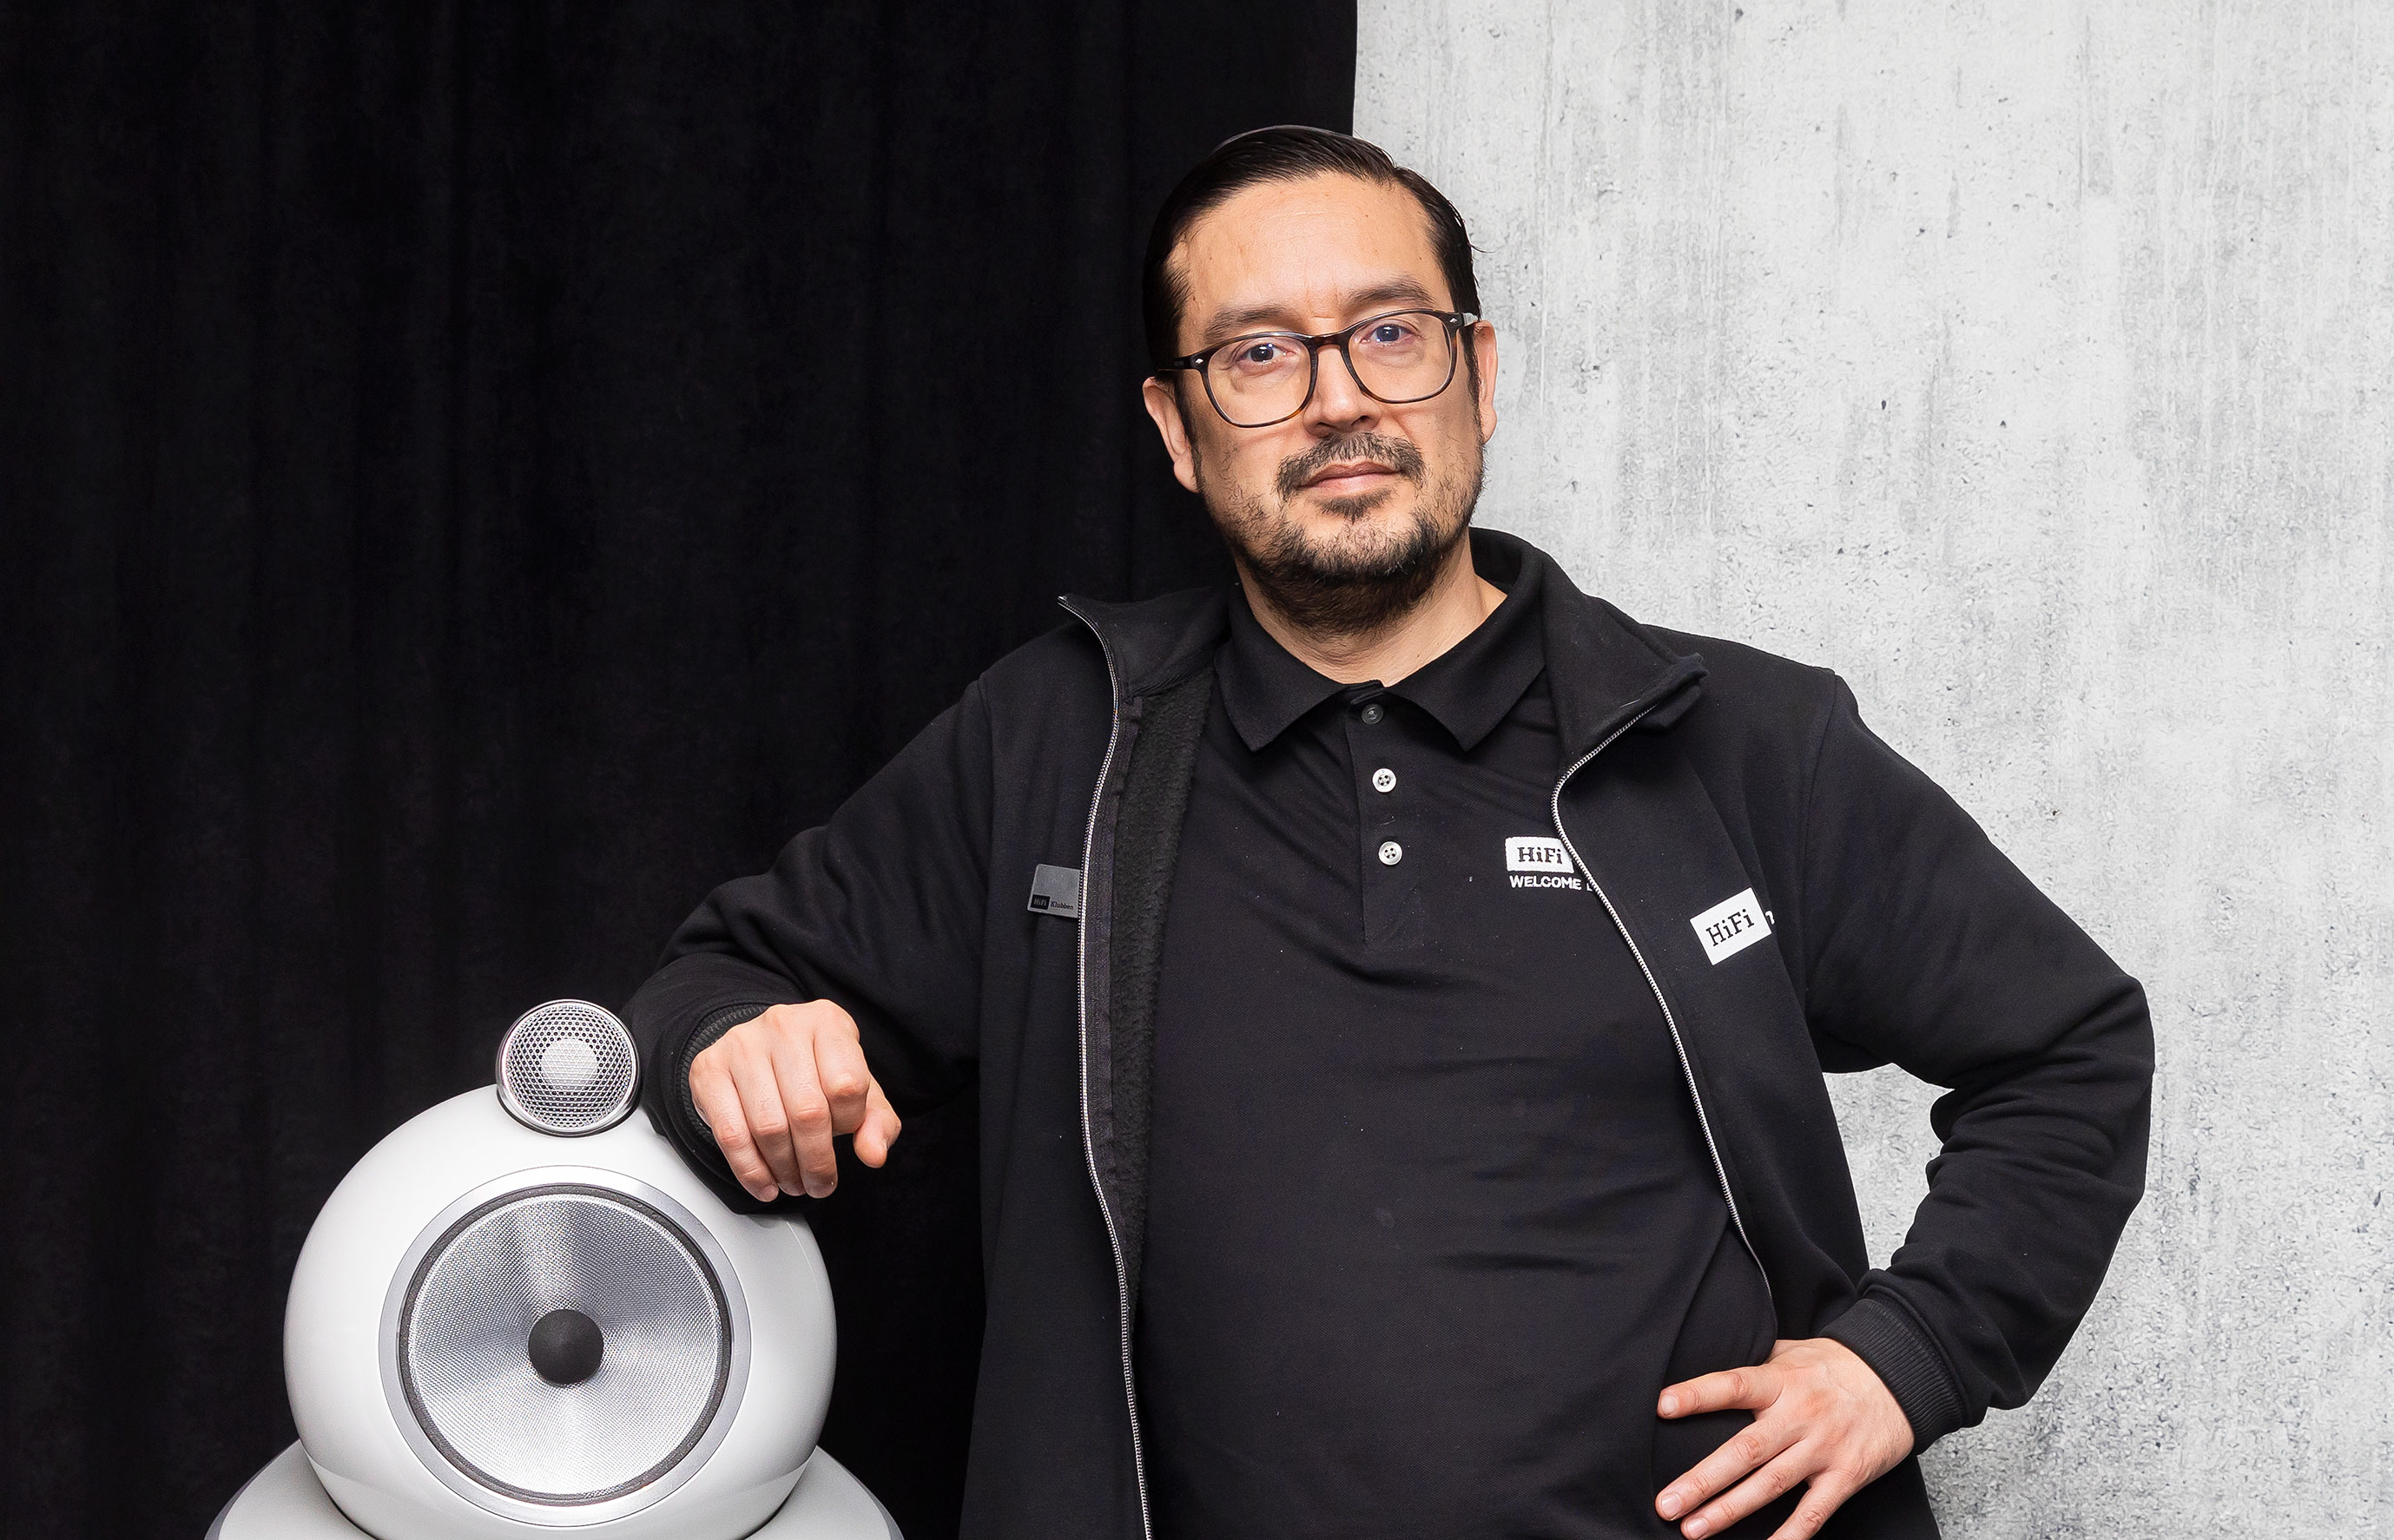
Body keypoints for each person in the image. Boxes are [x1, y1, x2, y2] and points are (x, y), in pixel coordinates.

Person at [629, 126, 2152, 1540]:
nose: (1339, 398)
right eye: (1258, 354)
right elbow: (721, 986)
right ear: (1176, 429)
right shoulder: (1056, 743)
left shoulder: (1738, 744)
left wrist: (1907, 1354)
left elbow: (2068, 1045)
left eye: (1390, 333)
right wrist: (738, 1048)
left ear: (1478, 374)